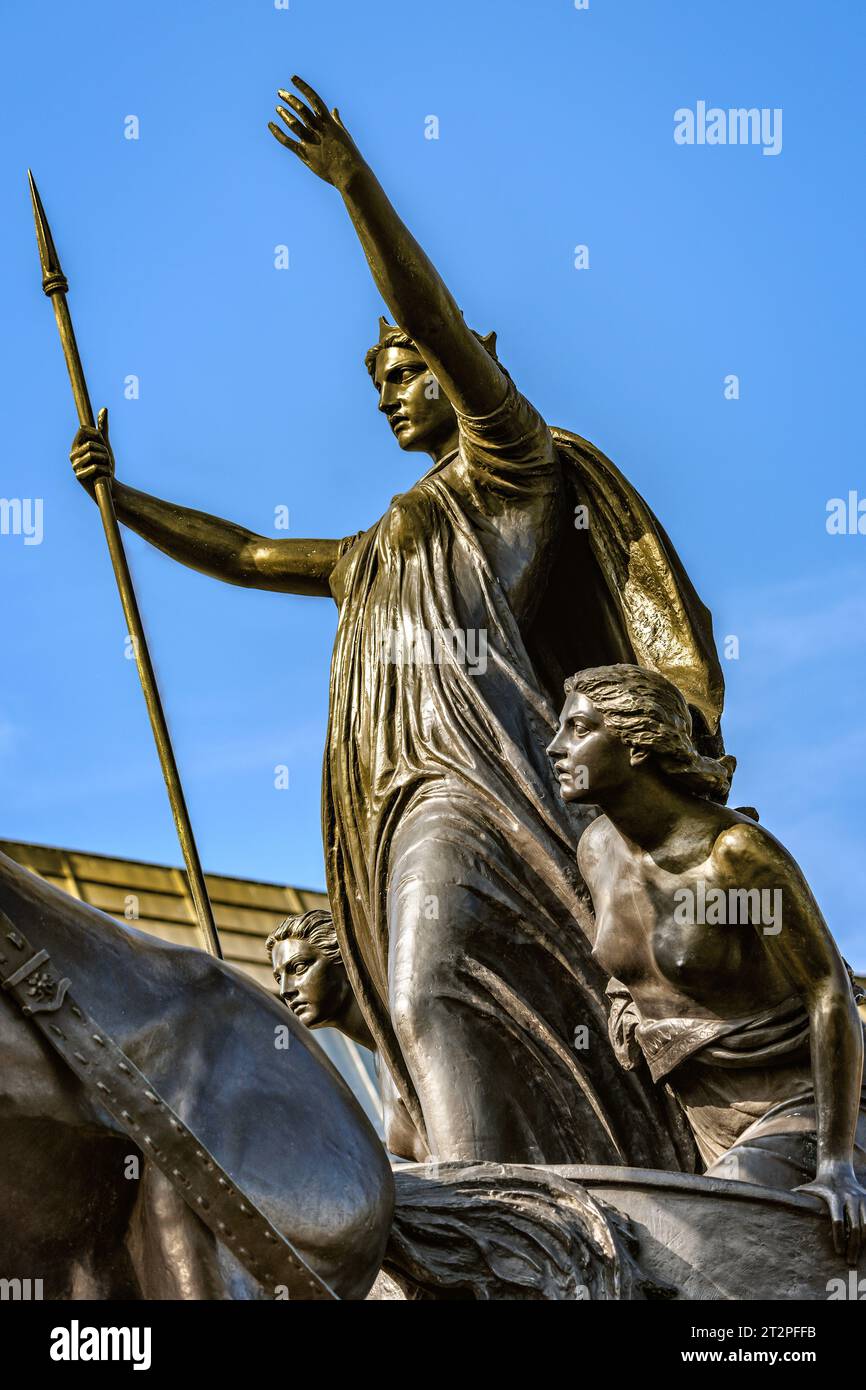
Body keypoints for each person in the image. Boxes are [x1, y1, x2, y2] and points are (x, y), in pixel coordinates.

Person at [69, 75, 719, 1167]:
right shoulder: (380, 544)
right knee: (418, 1001)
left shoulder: (514, 468)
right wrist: (119, 498)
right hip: (385, 797)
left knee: (426, 987)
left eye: (403, 371)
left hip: (475, 778)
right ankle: (499, 1179)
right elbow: (250, 552)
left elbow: (429, 312)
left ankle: (476, 1214)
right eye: (378, 380)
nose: (386, 390)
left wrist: (352, 185)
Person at [547, 662, 866, 1263]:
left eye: (579, 729)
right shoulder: (597, 850)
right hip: (701, 1111)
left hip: (805, 1103)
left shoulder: (735, 856)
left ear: (638, 745)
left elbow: (828, 992)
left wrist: (837, 1163)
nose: (555, 746)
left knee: (711, 1238)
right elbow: (628, 970)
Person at [267, 910, 426, 1161]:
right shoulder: (380, 1057)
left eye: (298, 967)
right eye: (278, 978)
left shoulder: (412, 1039)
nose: (286, 990)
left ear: (345, 959)